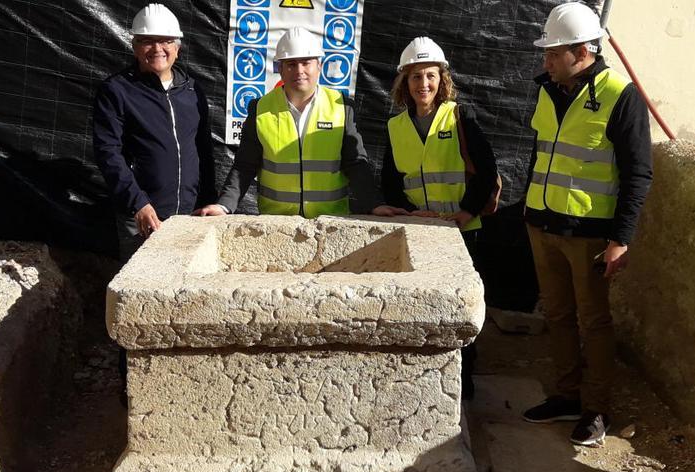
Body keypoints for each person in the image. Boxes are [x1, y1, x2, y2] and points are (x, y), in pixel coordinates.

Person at [520, 2, 652, 445]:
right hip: (542, 225)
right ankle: (565, 396)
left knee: (592, 321)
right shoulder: (546, 90)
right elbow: (541, 154)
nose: (546, 61)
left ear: (581, 51)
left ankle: (597, 409)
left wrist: (621, 240)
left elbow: (638, 173)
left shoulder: (621, 95)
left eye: (553, 53)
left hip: (589, 233)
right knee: (557, 315)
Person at [380, 37, 499, 400]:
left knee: (463, 305)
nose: (423, 85)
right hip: (419, 228)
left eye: (430, 76)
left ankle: (466, 377)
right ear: (405, 83)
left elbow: (486, 169)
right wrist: (412, 212)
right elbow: (390, 180)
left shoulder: (460, 116)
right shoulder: (397, 126)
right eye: (416, 77)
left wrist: (465, 212)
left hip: (461, 228)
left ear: (442, 79)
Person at [193, 27, 404, 218]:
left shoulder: (341, 107)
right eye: (291, 64)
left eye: (306, 63)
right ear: (281, 68)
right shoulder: (261, 108)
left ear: (319, 66)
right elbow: (245, 166)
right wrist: (223, 206)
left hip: (329, 221)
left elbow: (356, 163)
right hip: (276, 222)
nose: (299, 70)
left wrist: (374, 204)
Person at [94, 3, 216, 261]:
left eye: (166, 41)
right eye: (148, 41)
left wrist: (208, 201)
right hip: (142, 217)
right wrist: (137, 203)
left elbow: (203, 149)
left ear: (177, 47)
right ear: (135, 46)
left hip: (189, 216)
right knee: (137, 291)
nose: (158, 49)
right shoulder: (117, 90)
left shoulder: (192, 91)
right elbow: (108, 153)